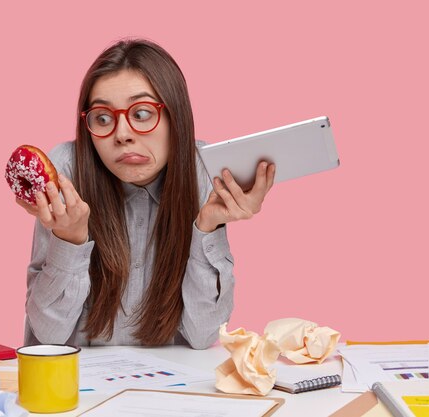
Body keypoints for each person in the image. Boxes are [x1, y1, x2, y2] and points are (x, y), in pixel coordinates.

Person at [17, 38, 275, 349]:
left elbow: (203, 334)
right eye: (102, 118)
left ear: (175, 117)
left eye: (141, 114)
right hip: (79, 390)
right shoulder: (66, 173)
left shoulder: (204, 170)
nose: (122, 135)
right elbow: (47, 337)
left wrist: (208, 227)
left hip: (170, 390)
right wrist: (70, 238)